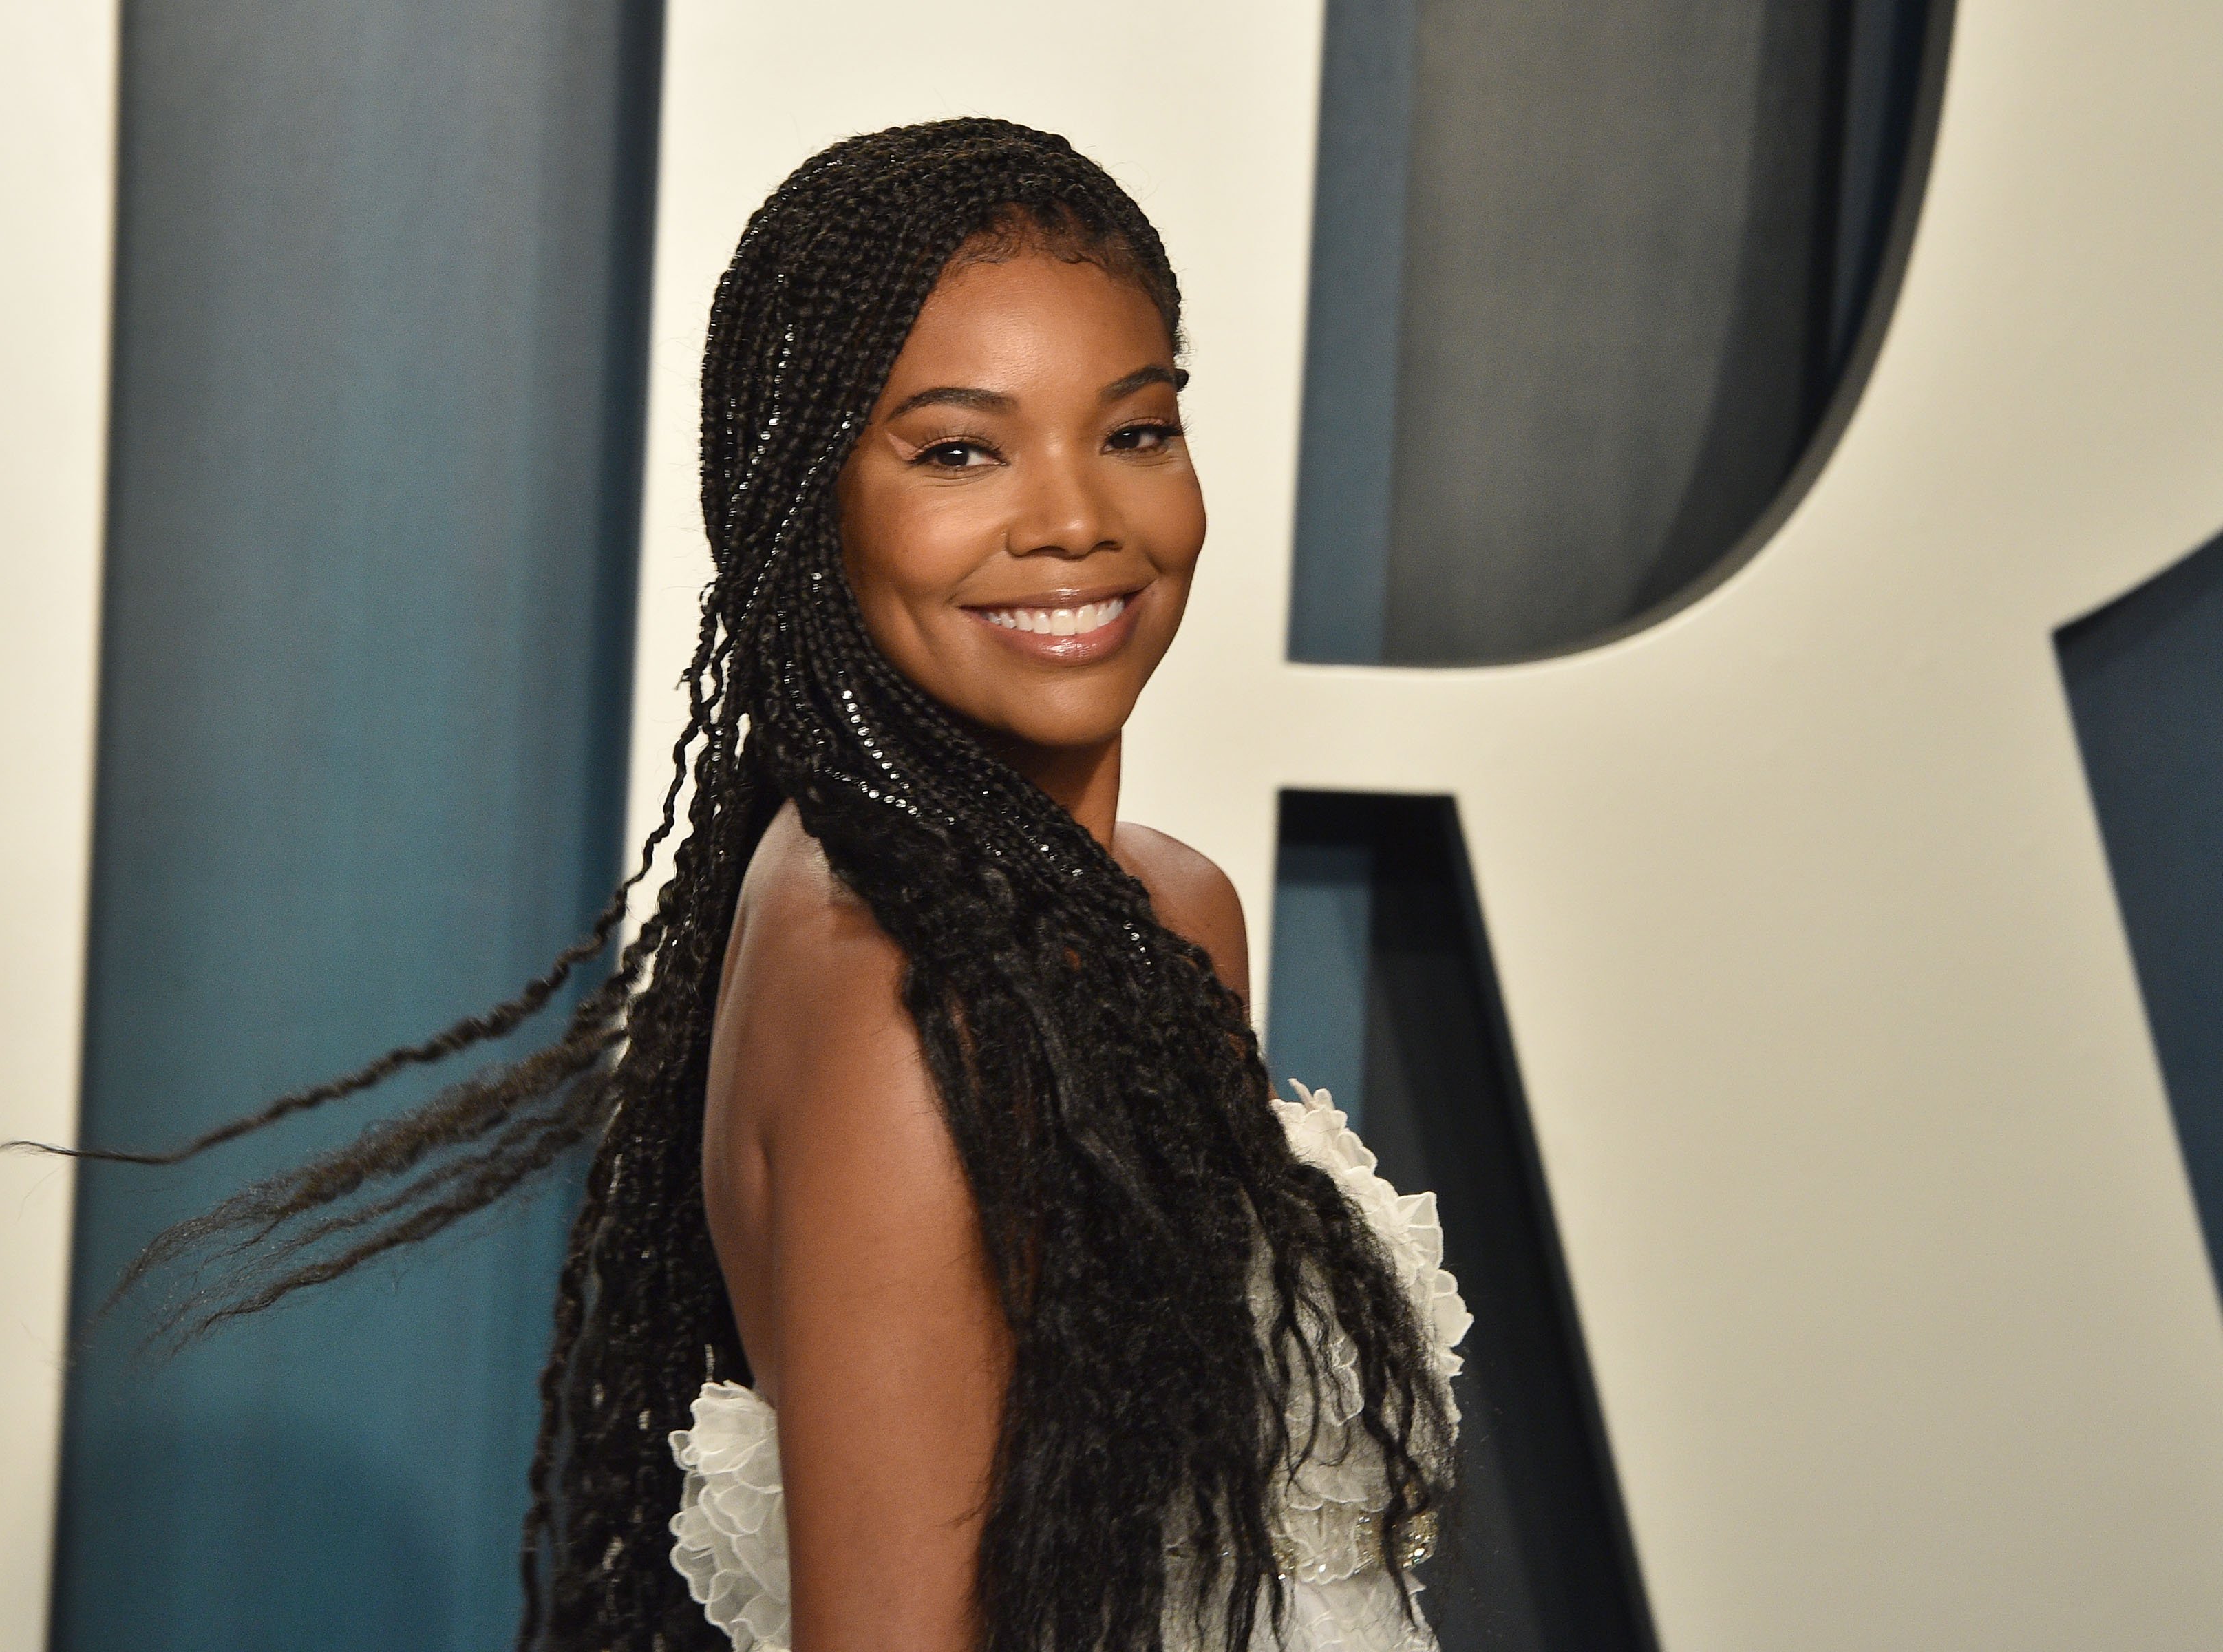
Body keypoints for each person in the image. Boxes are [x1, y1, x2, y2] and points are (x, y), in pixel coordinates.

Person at [94, 118, 1468, 1652]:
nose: (1079, 519)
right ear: (807, 506)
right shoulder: (898, 1007)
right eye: (960, 449)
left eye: (1136, 430)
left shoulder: (1164, 921)